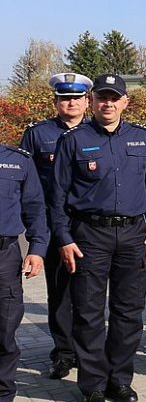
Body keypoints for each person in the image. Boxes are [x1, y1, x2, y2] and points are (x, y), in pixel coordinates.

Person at [49, 75, 146, 402]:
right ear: (92, 101)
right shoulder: (74, 140)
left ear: (125, 102)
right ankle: (93, 385)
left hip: (133, 235)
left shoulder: (143, 139)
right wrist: (64, 238)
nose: (108, 104)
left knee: (128, 311)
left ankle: (119, 380)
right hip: (90, 235)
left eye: (115, 98)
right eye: (102, 98)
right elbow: (57, 197)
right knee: (88, 312)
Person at [20, 72, 91, 380]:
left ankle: (89, 348)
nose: (71, 103)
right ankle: (63, 352)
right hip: (53, 225)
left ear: (87, 101)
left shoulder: (98, 132)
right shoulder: (38, 134)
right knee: (60, 292)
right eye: (65, 98)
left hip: (89, 226)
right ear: (56, 101)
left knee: (89, 292)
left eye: (76, 98)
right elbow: (26, 181)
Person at [0, 144, 48, 402]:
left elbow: (34, 206)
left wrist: (37, 248)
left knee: (5, 330)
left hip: (5, 255)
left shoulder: (17, 161)